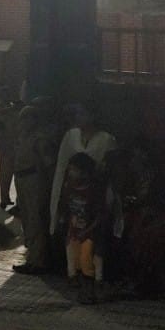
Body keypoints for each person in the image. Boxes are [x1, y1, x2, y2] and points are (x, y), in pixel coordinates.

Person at [49, 103, 118, 253]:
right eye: (77, 114)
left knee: (93, 234)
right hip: (73, 194)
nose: (78, 117)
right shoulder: (71, 135)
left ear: (93, 116)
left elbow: (110, 171)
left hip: (94, 195)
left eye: (82, 114)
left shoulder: (106, 139)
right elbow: (62, 165)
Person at [11, 100, 60, 274]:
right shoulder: (23, 137)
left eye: (26, 119)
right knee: (27, 220)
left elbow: (49, 164)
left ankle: (39, 261)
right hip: (22, 179)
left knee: (35, 220)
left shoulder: (39, 139)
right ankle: (32, 257)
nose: (22, 122)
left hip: (34, 180)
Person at [58, 153, 110, 304]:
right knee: (76, 260)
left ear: (85, 172)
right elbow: (67, 211)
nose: (70, 173)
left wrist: (87, 232)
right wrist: (69, 228)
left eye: (74, 170)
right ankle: (83, 289)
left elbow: (99, 215)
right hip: (75, 230)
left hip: (89, 232)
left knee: (87, 259)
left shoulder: (93, 191)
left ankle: (91, 291)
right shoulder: (69, 188)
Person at [0, 86, 21, 208]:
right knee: (5, 171)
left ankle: (6, 197)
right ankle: (4, 197)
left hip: (12, 142)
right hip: (4, 143)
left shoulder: (12, 107)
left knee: (10, 171)